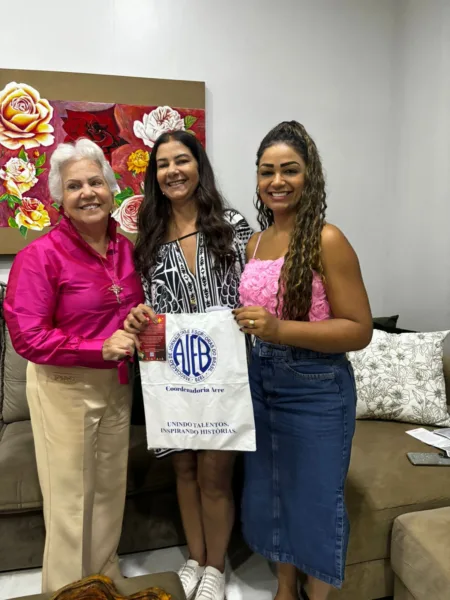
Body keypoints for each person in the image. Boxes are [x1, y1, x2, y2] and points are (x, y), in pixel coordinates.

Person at [234, 121, 372, 600]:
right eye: (267, 171)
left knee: (314, 500)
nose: (278, 181)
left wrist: (278, 329)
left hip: (314, 384)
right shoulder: (255, 242)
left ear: (309, 176)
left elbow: (359, 329)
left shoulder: (327, 239)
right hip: (260, 381)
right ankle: (285, 587)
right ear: (256, 179)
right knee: (272, 493)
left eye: (289, 170)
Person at [4, 139, 144, 593]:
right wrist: (96, 348)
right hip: (63, 387)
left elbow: (126, 312)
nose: (87, 192)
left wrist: (136, 320)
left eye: (95, 182)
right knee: (69, 504)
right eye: (74, 185)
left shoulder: (126, 249)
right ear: (59, 199)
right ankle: (67, 590)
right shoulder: (40, 256)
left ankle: (103, 581)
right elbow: (28, 336)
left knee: (107, 495)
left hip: (116, 384)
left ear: (111, 188)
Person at [124, 130, 253, 600]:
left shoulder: (233, 225)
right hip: (170, 372)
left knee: (215, 474)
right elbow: (143, 303)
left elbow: (252, 294)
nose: (173, 171)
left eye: (182, 160)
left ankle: (216, 568)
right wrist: (136, 316)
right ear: (154, 176)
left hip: (222, 373)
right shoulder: (149, 234)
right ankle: (195, 558)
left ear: (199, 166)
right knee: (182, 471)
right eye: (163, 164)